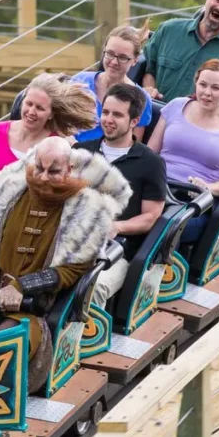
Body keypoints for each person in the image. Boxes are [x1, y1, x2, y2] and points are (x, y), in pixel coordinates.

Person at [0, 138, 131, 393]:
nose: (43, 177)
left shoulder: (88, 209)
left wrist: (21, 287)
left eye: (53, 171)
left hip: (34, 310)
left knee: (1, 351)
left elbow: (74, 269)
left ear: (69, 169)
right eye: (39, 168)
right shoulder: (8, 189)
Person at [74, 84, 167, 306]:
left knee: (93, 288)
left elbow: (150, 217)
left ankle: (87, 338)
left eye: (117, 115)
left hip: (118, 252)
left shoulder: (151, 163)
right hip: (74, 239)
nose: (108, 119)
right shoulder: (80, 151)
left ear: (134, 121)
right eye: (105, 112)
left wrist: (117, 227)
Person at [147, 59, 219, 242]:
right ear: (196, 83)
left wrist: (208, 187)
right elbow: (150, 153)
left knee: (167, 225)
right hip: (158, 185)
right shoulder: (176, 106)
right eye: (203, 85)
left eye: (216, 88)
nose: (207, 93)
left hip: (194, 199)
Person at [0, 73, 97, 211]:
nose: (31, 111)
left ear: (51, 114)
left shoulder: (58, 145)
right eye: (29, 104)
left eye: (40, 108)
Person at [71, 25, 155, 143]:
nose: (114, 62)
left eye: (123, 57)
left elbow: (134, 145)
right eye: (110, 54)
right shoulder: (79, 81)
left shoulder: (141, 98)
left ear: (135, 60)